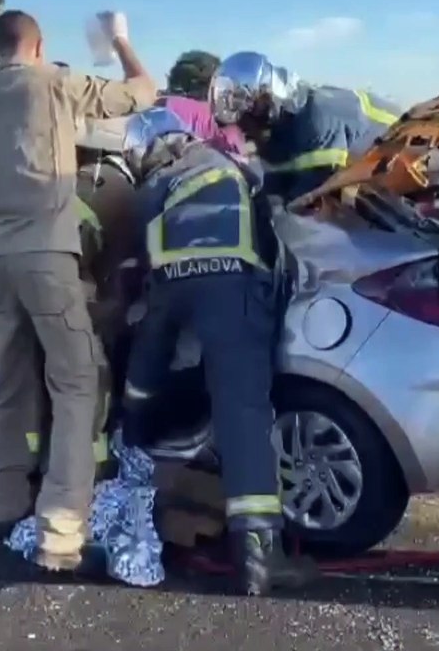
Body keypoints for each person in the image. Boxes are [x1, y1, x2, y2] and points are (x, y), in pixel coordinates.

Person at [0, 9, 157, 573]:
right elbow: (144, 93)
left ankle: (1, 506)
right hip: (48, 253)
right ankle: (60, 534)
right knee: (76, 382)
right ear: (39, 44)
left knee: (6, 384)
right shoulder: (55, 83)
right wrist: (121, 41)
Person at [115, 107, 315, 596]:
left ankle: (131, 446)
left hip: (170, 289)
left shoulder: (154, 188)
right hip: (231, 289)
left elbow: (136, 256)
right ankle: (258, 561)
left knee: (145, 370)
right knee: (242, 412)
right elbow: (270, 227)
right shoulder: (228, 165)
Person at [208, 51, 402, 202]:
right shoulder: (279, 132)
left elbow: (309, 198)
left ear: (263, 104)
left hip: (404, 148)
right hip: (375, 171)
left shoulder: (315, 122)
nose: (244, 132)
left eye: (246, 123)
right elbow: (274, 188)